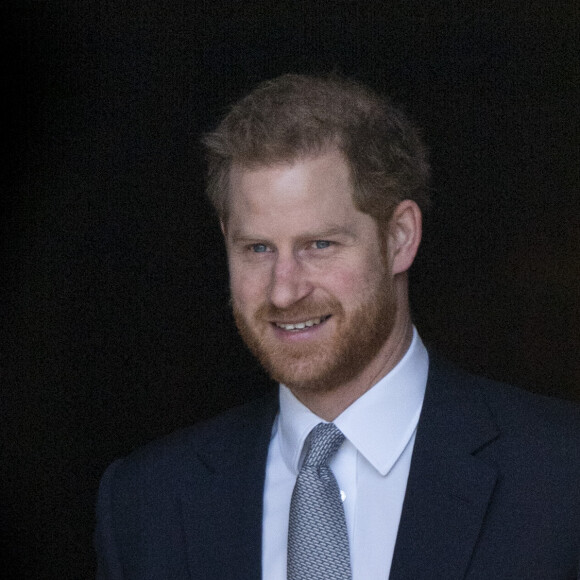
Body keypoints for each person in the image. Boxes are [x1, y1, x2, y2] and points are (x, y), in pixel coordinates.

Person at [95, 74, 580, 579]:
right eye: (258, 248)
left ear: (399, 238)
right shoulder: (146, 504)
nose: (284, 291)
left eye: (319, 245)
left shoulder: (562, 476)